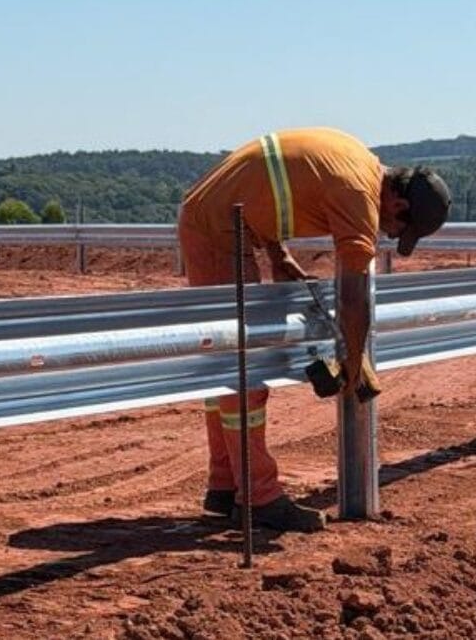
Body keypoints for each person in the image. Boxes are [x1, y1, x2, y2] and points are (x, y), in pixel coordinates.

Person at [177, 127, 451, 532]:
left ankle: (226, 483)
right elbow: (354, 299)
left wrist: (278, 252)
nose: (390, 234)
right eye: (397, 226)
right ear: (398, 201)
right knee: (247, 371)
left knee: (231, 366)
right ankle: (259, 497)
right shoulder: (360, 198)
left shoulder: (357, 159)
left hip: (217, 219)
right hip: (217, 229)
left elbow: (267, 188)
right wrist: (354, 363)